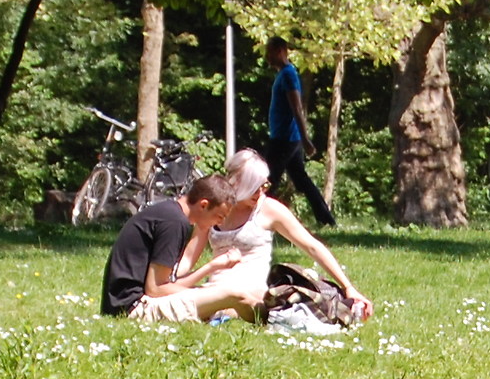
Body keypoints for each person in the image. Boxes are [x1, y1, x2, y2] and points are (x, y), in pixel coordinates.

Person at [182, 148, 374, 323]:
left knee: (212, 305)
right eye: (254, 187)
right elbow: (190, 256)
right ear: (235, 182)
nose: (260, 192)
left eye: (264, 186)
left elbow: (311, 246)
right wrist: (168, 279)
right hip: (216, 286)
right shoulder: (217, 208)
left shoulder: (269, 209)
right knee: (173, 298)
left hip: (249, 291)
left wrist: (348, 287)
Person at [101, 175, 262, 323]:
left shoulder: (170, 213)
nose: (218, 223)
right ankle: (274, 320)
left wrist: (212, 268)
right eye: (219, 216)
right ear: (204, 205)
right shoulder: (175, 223)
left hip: (131, 303)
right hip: (133, 308)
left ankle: (271, 313)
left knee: (227, 299)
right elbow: (155, 288)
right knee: (234, 295)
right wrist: (201, 291)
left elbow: (168, 282)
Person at [263, 37, 335, 227]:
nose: (266, 57)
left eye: (269, 52)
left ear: (280, 51)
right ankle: (326, 218)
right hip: (286, 137)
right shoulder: (283, 75)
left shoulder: (288, 74)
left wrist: (305, 139)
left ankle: (256, 219)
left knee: (267, 179)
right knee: (301, 180)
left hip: (285, 139)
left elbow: (296, 107)